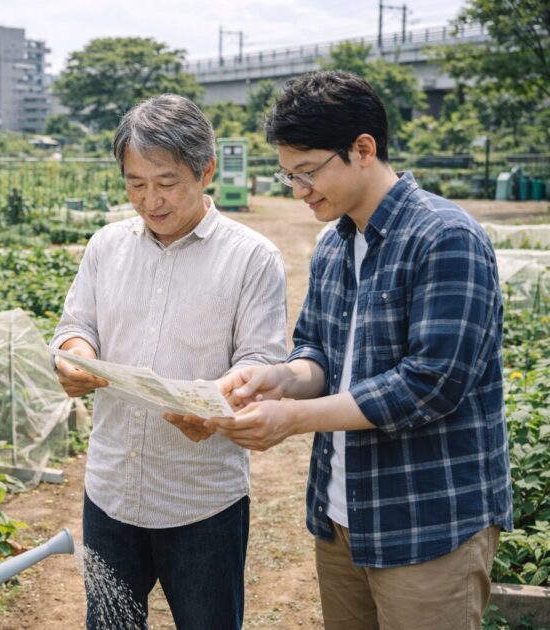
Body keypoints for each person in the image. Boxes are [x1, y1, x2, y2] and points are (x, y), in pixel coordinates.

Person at [195, 71, 512, 629]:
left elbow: (430, 382)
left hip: (427, 521)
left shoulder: (445, 236)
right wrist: (279, 380)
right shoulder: (334, 243)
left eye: (308, 172)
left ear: (363, 149)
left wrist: (293, 418)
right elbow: (317, 348)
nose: (298, 190)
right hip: (342, 516)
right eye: (288, 175)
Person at [52, 94, 287, 629]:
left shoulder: (252, 258)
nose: (150, 200)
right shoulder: (106, 246)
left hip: (201, 501)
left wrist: (220, 404)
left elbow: (261, 361)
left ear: (206, 170)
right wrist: (75, 357)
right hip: (110, 491)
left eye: (166, 183)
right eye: (136, 184)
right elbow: (76, 326)